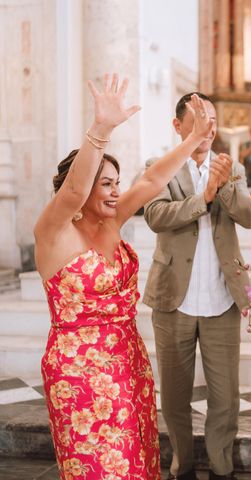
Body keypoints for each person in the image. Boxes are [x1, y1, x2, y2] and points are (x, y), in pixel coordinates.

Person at [35, 74, 214, 480]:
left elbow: (152, 181)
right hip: (78, 370)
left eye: (117, 183)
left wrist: (192, 141)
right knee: (97, 469)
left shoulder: (112, 221)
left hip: (128, 362)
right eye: (106, 184)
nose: (116, 192)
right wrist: (102, 129)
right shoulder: (54, 231)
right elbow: (74, 192)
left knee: (135, 461)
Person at [143, 92, 251, 480]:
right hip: (173, 297)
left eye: (211, 117)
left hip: (221, 297)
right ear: (178, 127)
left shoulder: (232, 166)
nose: (207, 126)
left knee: (225, 397)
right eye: (197, 118)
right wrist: (203, 196)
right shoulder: (159, 168)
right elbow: (156, 215)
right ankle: (183, 465)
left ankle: (222, 468)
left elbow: (249, 216)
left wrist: (223, 186)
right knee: (175, 397)